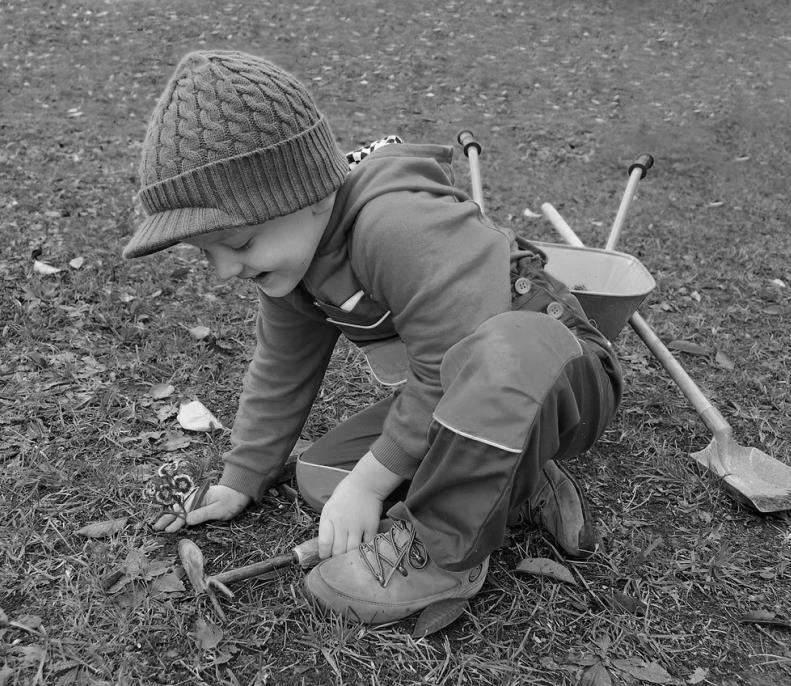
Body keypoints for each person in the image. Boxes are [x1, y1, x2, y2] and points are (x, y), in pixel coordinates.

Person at [124, 50, 622, 625]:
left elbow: (449, 359)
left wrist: (371, 481)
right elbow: (281, 370)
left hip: (562, 369)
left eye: (237, 244)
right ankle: (514, 477)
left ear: (306, 195)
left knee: (502, 351)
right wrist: (241, 478)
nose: (224, 270)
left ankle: (443, 554)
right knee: (321, 478)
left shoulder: (394, 224)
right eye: (206, 253)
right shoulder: (292, 268)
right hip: (463, 398)